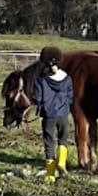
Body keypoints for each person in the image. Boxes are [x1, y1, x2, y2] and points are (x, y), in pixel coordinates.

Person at [31, 44, 74, 182]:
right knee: (63, 139)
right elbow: (70, 96)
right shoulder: (67, 78)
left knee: (49, 142)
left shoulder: (40, 80)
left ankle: (50, 175)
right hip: (63, 114)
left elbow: (37, 98)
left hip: (48, 115)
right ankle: (61, 162)